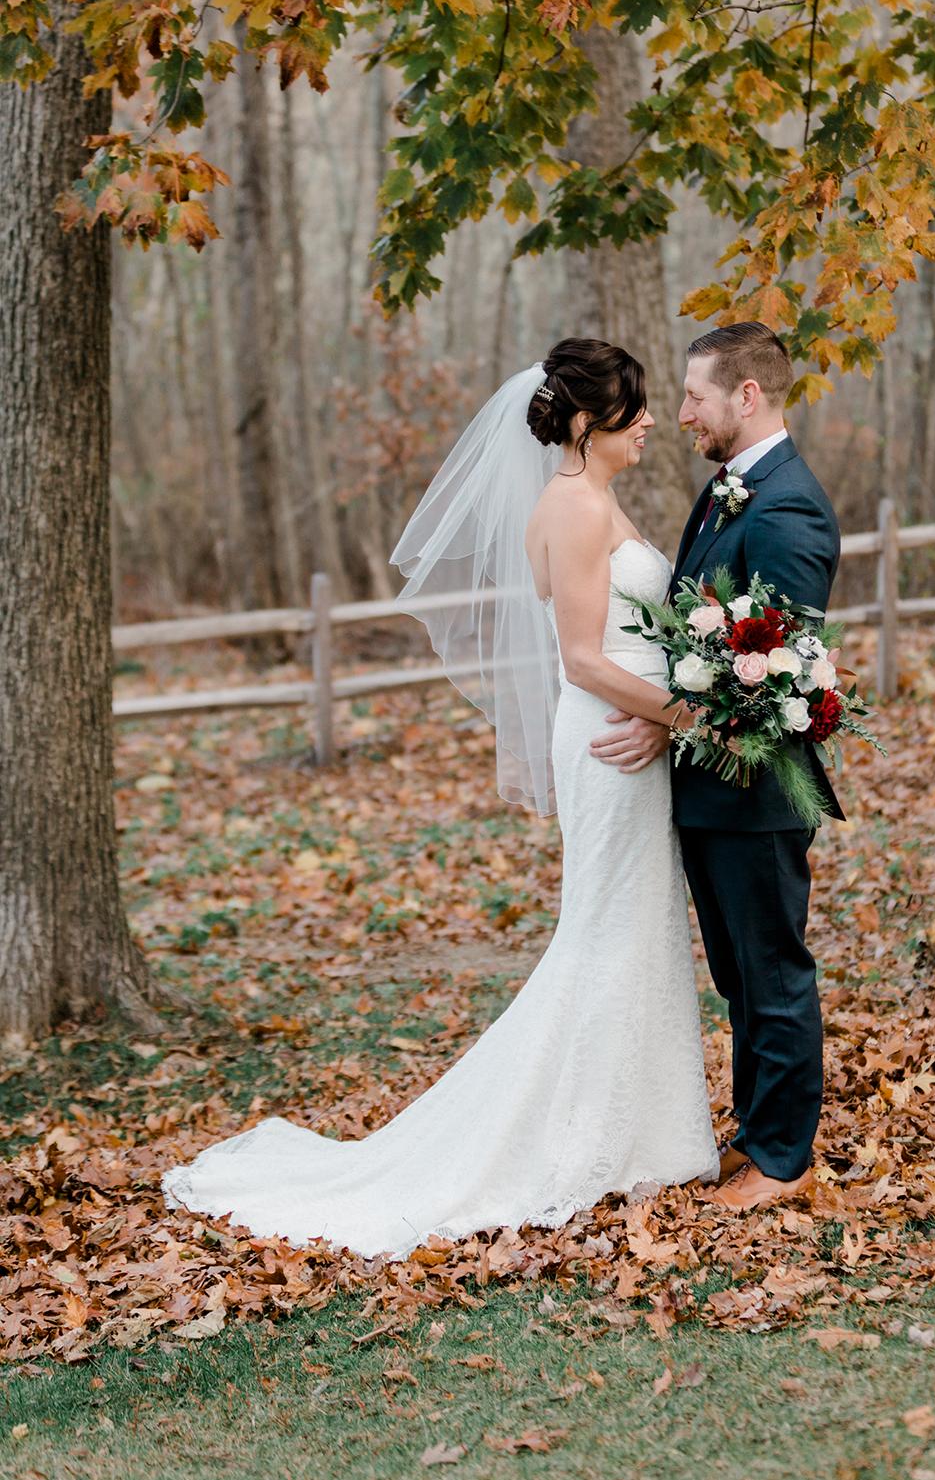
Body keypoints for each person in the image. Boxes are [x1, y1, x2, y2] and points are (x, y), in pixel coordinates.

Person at [160, 339, 720, 1260]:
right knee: (606, 931)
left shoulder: (591, 498)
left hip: (625, 732)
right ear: (587, 422)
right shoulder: (574, 508)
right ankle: (583, 1139)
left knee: (633, 927)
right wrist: (692, 714)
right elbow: (582, 658)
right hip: (611, 742)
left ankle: (641, 1133)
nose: (654, 419)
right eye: (636, 405)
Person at [590, 322, 843, 1214]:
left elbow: (781, 661)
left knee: (771, 971)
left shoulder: (787, 507)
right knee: (739, 977)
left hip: (758, 788)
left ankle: (784, 1160)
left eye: (696, 394)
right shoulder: (728, 492)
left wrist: (670, 725)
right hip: (712, 786)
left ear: (746, 396)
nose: (682, 410)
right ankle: (756, 1131)